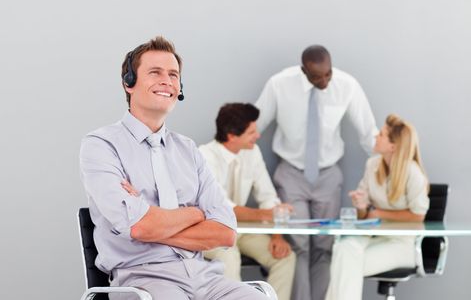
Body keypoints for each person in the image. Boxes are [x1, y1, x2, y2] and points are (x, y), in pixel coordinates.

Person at [79, 36, 268, 300]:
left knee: (256, 297)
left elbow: (225, 233)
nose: (167, 81)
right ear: (129, 82)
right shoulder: (101, 145)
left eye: (173, 74)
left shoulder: (188, 150)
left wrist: (154, 220)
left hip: (203, 277)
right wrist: (195, 213)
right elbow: (141, 228)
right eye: (155, 72)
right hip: (143, 280)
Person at [255, 45, 378, 300]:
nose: (324, 81)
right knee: (298, 245)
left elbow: (369, 134)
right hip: (291, 174)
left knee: (324, 246)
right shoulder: (279, 84)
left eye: (328, 74)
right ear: (304, 71)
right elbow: (253, 126)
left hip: (328, 175)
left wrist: (389, 164)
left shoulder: (347, 85)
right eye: (316, 77)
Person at [325, 114, 430, 300]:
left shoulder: (413, 173)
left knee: (346, 264)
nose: (375, 137)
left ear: (393, 145)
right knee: (343, 247)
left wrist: (378, 212)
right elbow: (364, 214)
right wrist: (361, 206)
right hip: (373, 236)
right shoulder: (372, 165)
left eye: (381, 134)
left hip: (401, 244)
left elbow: (418, 216)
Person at [199, 103, 296, 300]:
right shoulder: (204, 156)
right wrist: (267, 215)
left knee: (286, 257)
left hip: (242, 230)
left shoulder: (253, 152)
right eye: (252, 132)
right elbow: (222, 208)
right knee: (228, 256)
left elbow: (268, 197)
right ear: (232, 136)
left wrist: (277, 236)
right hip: (213, 231)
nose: (258, 135)